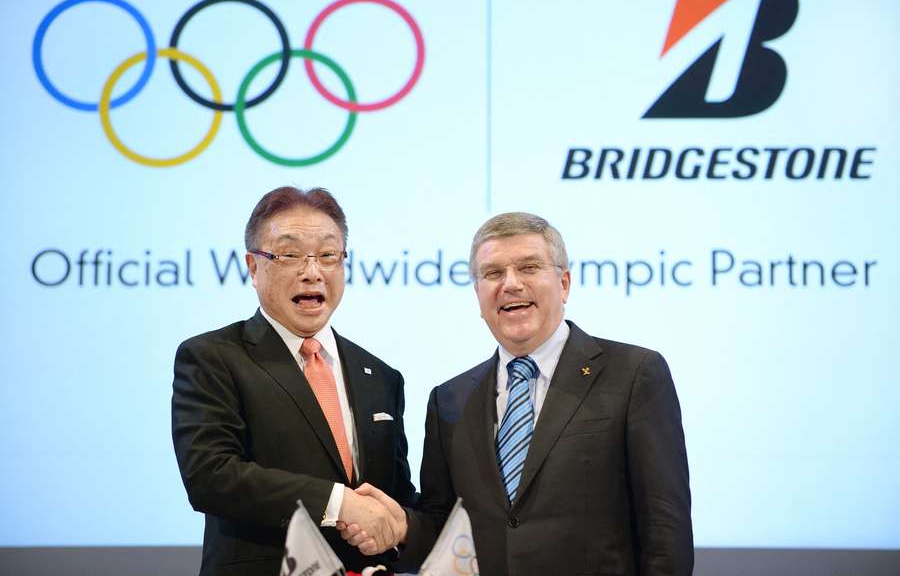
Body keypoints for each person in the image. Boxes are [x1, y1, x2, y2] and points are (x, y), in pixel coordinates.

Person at [344, 211, 693, 575]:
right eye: (493, 273)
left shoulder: (634, 374)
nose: (510, 284)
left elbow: (665, 531)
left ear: (564, 284)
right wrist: (404, 528)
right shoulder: (449, 400)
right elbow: (445, 532)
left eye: (528, 267)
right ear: (477, 294)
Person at [172, 186, 416, 576]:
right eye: (289, 255)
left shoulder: (381, 375)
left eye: (327, 255)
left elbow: (395, 495)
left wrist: (398, 528)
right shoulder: (213, 356)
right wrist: (338, 504)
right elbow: (211, 476)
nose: (312, 272)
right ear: (254, 267)